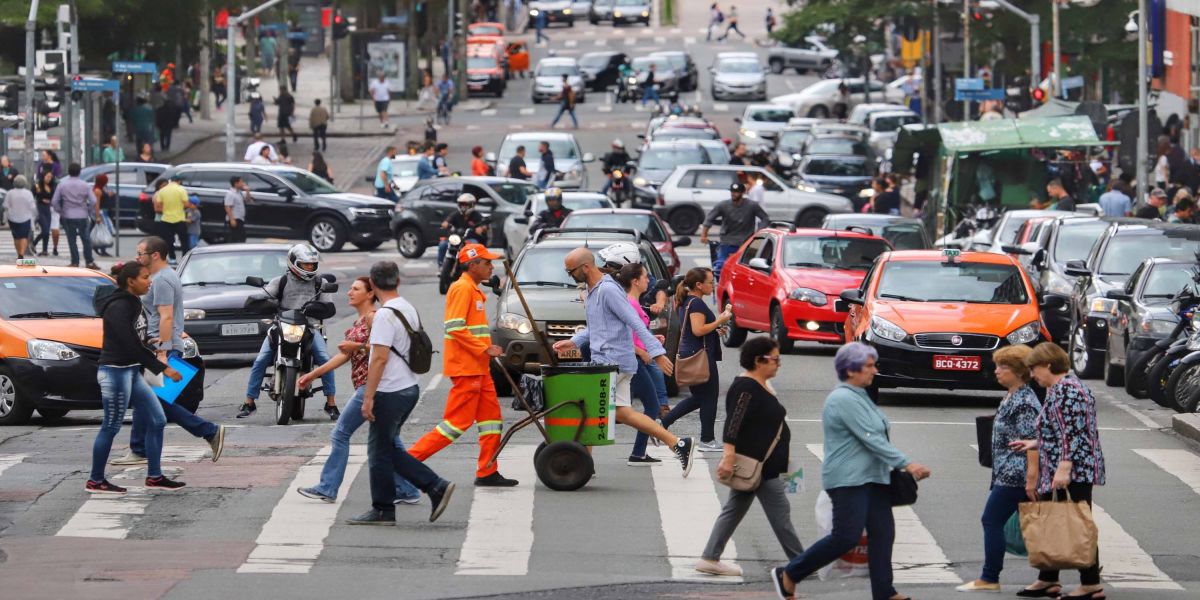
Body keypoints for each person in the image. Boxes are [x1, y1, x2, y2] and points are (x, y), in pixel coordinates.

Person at [769, 342, 931, 600]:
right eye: (869, 366)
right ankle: (790, 573)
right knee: (845, 537)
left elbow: (877, 436)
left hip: (875, 478)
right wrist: (906, 464)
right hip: (849, 479)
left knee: (883, 533)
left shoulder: (860, 395)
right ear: (850, 370)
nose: (874, 370)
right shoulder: (842, 398)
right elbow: (870, 438)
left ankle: (884, 591)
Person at [552, 248, 697, 475]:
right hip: (612, 360)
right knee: (622, 413)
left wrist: (657, 353)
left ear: (586, 267)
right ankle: (678, 443)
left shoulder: (608, 290)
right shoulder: (593, 290)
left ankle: (583, 466)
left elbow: (634, 322)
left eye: (571, 271)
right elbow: (597, 327)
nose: (570, 275)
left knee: (588, 407)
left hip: (612, 361)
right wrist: (574, 342)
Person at [296, 276, 422, 505]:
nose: (349, 293)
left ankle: (327, 487)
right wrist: (312, 375)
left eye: (355, 289)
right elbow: (343, 356)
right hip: (373, 388)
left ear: (370, 293)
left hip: (372, 386)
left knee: (341, 433)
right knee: (391, 440)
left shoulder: (374, 318)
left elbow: (383, 350)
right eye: (351, 289)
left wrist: (357, 347)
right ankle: (408, 489)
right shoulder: (359, 322)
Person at [348, 261, 456, 524]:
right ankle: (400, 501)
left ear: (372, 285)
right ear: (398, 281)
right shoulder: (407, 307)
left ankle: (427, 488)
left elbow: (379, 359)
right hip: (409, 387)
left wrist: (369, 396)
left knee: (378, 451)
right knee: (384, 449)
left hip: (390, 390)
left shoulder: (384, 315)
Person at [108, 237, 226, 467]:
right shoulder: (161, 277)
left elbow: (166, 316)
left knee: (153, 400)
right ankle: (139, 449)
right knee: (149, 399)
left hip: (164, 349)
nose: (137, 257)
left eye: (140, 252)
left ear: (155, 255)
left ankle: (208, 431)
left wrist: (162, 352)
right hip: (159, 347)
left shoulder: (162, 280)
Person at [407, 244, 519, 487]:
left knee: (492, 421)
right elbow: (455, 328)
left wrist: (486, 351)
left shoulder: (474, 289)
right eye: (487, 262)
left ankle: (487, 471)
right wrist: (484, 348)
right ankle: (406, 464)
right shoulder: (462, 289)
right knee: (454, 426)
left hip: (479, 369)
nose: (492, 266)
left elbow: (469, 330)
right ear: (473, 264)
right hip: (467, 369)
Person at [697, 336, 802, 576]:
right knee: (781, 516)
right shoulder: (745, 387)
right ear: (758, 360)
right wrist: (728, 456)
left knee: (735, 510)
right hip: (760, 467)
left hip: (764, 465)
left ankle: (710, 557)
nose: (779, 363)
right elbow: (733, 424)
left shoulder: (762, 385)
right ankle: (802, 564)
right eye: (775, 359)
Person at [1010, 342, 1106, 600]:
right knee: (1052, 521)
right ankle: (1048, 578)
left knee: (1077, 524)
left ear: (1049, 365)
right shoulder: (1057, 389)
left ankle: (1091, 583)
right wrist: (1035, 443)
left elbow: (1074, 434)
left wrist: (1064, 467)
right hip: (1060, 465)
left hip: (1072, 469)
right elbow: (1057, 431)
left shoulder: (1067, 390)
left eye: (1035, 369)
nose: (1033, 375)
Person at [89, 261, 185, 494]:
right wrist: (162, 368)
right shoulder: (119, 306)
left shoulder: (133, 302)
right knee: (111, 426)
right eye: (144, 277)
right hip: (115, 372)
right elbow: (128, 343)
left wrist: (147, 343)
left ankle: (154, 476)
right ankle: (95, 480)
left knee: (157, 420)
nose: (149, 281)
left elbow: (133, 338)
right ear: (130, 281)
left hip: (131, 371)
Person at [956, 345, 1041, 593]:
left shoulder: (1024, 401)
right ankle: (1054, 574)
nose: (997, 371)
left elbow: (1033, 442)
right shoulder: (1012, 396)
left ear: (1018, 371)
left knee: (991, 520)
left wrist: (1031, 479)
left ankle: (989, 577)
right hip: (1007, 471)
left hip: (1016, 474)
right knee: (1011, 523)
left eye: (1002, 367)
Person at [237, 244, 340, 420]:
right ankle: (249, 402)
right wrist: (259, 302)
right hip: (281, 325)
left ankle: (331, 403)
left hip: (310, 328)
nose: (309, 268)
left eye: (312, 265)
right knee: (261, 360)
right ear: (293, 263)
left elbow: (329, 306)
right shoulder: (281, 281)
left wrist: (318, 308)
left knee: (325, 359)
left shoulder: (320, 283)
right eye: (305, 264)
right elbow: (266, 294)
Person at [659, 267, 731, 453]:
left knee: (700, 398)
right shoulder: (696, 303)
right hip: (700, 356)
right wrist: (720, 320)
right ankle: (707, 439)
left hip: (694, 352)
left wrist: (714, 330)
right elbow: (698, 330)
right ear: (698, 285)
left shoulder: (686, 301)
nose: (712, 286)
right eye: (710, 282)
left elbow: (693, 330)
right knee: (708, 398)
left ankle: (663, 423)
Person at [613, 262, 673, 466]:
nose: (649, 280)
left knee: (647, 405)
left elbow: (637, 333)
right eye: (646, 277)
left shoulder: (634, 302)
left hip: (639, 357)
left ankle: (638, 452)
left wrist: (653, 339)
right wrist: (642, 352)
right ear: (635, 281)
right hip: (634, 359)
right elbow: (623, 335)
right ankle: (638, 453)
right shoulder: (628, 303)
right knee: (648, 405)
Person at [701, 182, 769, 280]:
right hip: (727, 241)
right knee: (720, 266)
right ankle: (721, 284)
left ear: (742, 193)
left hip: (745, 242)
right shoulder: (723, 205)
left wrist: (759, 232)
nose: (734, 194)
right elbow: (709, 218)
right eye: (732, 192)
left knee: (747, 268)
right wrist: (704, 235)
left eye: (736, 192)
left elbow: (765, 218)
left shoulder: (752, 205)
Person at [51, 163, 99, 270]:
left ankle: (75, 261)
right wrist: (88, 210)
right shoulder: (85, 185)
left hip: (68, 215)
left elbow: (54, 201)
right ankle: (89, 261)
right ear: (79, 172)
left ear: (68, 172)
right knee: (86, 239)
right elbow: (93, 200)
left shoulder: (62, 185)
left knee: (71, 239)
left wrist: (60, 211)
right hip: (82, 214)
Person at [437, 193, 489, 266]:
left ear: (472, 205)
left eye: (465, 204)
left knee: (473, 246)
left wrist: (481, 228)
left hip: (470, 238)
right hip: (457, 238)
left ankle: (472, 265)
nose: (463, 207)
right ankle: (441, 266)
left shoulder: (477, 215)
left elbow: (483, 226)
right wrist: (445, 224)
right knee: (443, 244)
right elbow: (447, 221)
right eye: (461, 204)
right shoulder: (456, 214)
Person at [154, 175, 191, 259]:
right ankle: (184, 258)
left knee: (168, 241)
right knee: (184, 241)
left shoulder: (162, 191)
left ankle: (172, 258)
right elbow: (186, 204)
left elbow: (159, 205)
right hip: (179, 219)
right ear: (179, 181)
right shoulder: (181, 189)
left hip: (166, 219)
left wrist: (167, 209)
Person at [6, 175, 36, 259]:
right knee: (24, 236)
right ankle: (21, 254)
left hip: (13, 218)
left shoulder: (10, 193)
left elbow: (5, 206)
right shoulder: (28, 193)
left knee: (16, 237)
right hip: (25, 218)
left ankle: (19, 252)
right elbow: (32, 206)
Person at [33, 169, 59, 257]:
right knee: (45, 230)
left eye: (50, 177)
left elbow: (54, 197)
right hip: (39, 209)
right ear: (43, 176)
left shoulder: (52, 187)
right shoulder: (37, 186)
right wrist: (40, 200)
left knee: (47, 230)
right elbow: (32, 196)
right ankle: (33, 243)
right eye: (47, 176)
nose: (49, 179)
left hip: (48, 209)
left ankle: (45, 249)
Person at [91, 174, 115, 257]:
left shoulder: (102, 188)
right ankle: (101, 248)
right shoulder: (97, 190)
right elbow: (97, 204)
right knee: (107, 230)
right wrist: (97, 216)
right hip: (101, 212)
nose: (107, 182)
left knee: (105, 230)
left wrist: (108, 195)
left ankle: (101, 248)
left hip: (104, 211)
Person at [224, 175, 250, 244]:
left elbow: (247, 200)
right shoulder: (231, 194)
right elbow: (228, 207)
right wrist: (232, 219)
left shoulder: (239, 192)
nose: (243, 183)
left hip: (240, 219)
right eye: (241, 182)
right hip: (235, 219)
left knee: (241, 237)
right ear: (236, 183)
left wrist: (247, 191)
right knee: (236, 237)